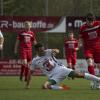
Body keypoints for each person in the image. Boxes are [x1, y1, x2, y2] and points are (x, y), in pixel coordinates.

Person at [26, 43, 100, 90]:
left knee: (78, 75)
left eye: (43, 50)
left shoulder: (48, 51)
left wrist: (55, 51)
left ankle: (98, 79)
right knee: (44, 86)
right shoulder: (34, 61)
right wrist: (28, 84)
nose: (43, 51)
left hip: (61, 69)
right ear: (37, 51)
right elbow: (30, 73)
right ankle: (63, 88)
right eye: (41, 51)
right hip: (53, 76)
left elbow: (57, 50)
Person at [79, 12, 100, 88]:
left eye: (92, 22)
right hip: (88, 49)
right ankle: (94, 80)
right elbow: (81, 37)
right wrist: (80, 43)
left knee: (98, 65)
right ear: (86, 20)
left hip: (98, 48)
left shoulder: (98, 24)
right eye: (89, 22)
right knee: (90, 63)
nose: (90, 23)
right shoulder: (82, 28)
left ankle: (98, 82)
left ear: (94, 20)